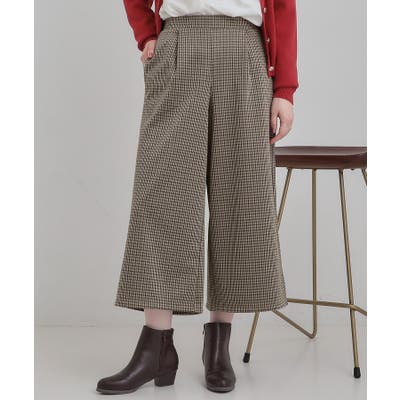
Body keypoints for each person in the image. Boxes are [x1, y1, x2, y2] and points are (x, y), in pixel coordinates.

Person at [97, 0, 298, 394]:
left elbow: (283, 7)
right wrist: (147, 34)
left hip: (245, 48)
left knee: (240, 197)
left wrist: (285, 88)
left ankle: (218, 345)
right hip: (178, 43)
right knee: (162, 195)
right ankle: (156, 347)